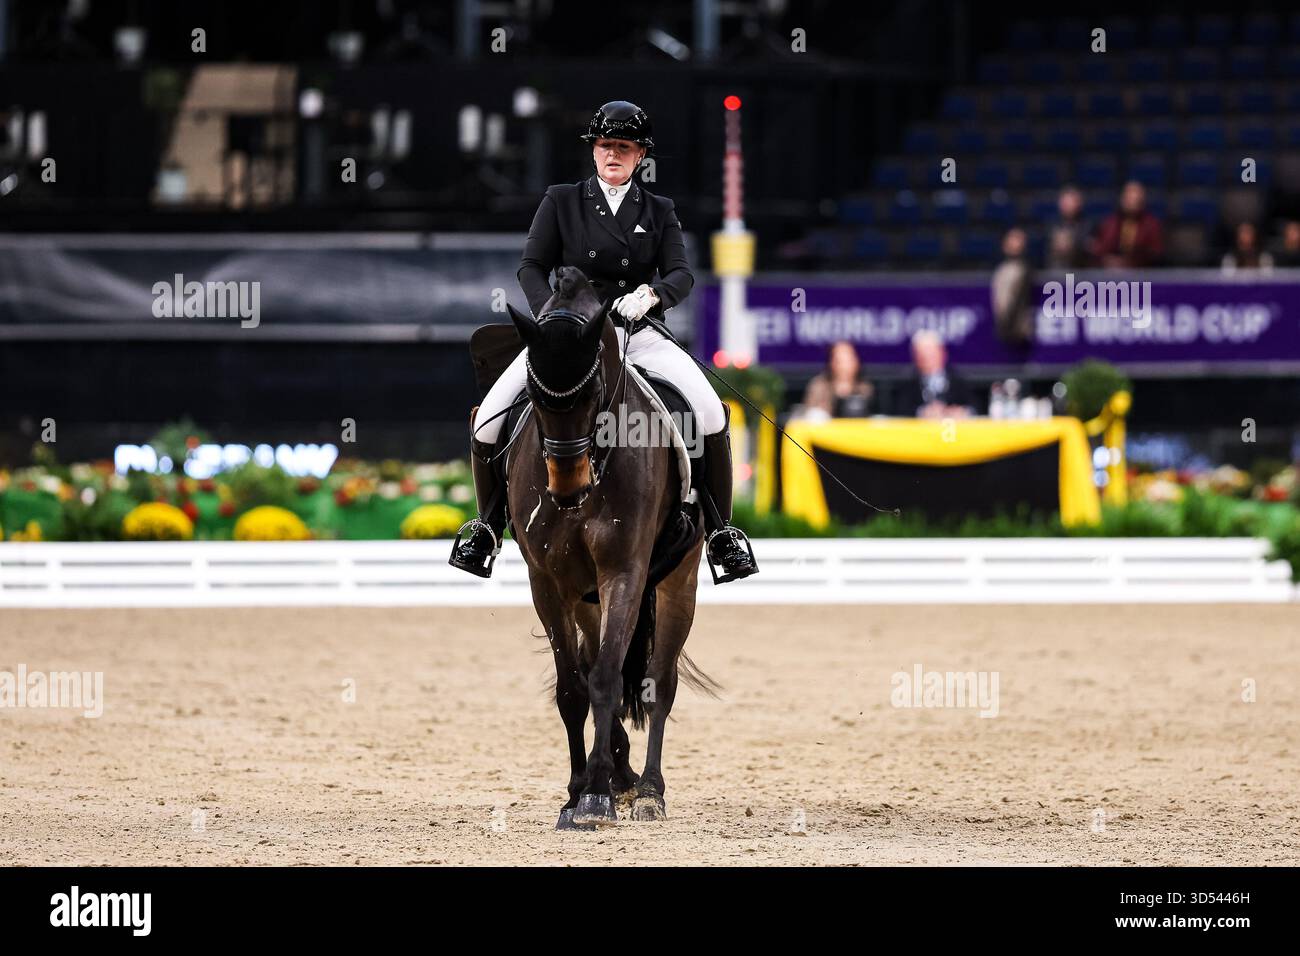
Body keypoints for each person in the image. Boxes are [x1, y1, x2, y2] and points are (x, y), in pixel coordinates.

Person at [449, 100, 757, 583]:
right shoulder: (561, 200)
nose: (613, 154)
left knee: (710, 410)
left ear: (639, 156)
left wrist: (654, 293)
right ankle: (486, 527)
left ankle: (721, 533)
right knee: (489, 416)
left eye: (624, 147)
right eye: (605, 145)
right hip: (569, 333)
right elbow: (531, 267)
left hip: (636, 332)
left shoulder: (658, 210)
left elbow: (682, 274)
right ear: (593, 150)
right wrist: (550, 313)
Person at [902, 330, 974, 418]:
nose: (927, 360)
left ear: (943, 353)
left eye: (931, 354)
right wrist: (922, 413)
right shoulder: (908, 383)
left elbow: (975, 407)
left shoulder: (958, 380)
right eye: (922, 355)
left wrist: (961, 411)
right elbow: (900, 412)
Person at [1094, 180, 1164, 269]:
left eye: (1136, 199)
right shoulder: (1110, 223)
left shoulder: (1152, 225)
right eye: (1128, 198)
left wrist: (1128, 262)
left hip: (1142, 275)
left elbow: (1156, 253)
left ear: (1142, 201)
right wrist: (1108, 260)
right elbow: (1100, 249)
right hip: (1111, 275)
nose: (1132, 202)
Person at [801, 341, 874, 418]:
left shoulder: (864, 387)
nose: (844, 366)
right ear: (831, 363)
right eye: (840, 361)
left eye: (848, 360)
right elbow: (809, 415)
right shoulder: (819, 386)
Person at [990, 227, 1035, 346]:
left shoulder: (1024, 269)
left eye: (1019, 240)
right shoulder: (1001, 270)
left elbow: (1019, 300)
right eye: (1013, 239)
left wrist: (1011, 325)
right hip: (1003, 327)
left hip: (1018, 329)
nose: (1015, 243)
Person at [1046, 185, 1092, 270]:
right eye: (1064, 202)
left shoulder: (1088, 226)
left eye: (1070, 202)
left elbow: (1089, 250)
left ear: (1079, 203)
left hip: (1081, 273)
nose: (1067, 205)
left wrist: (1072, 243)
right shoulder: (1052, 225)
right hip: (1055, 274)